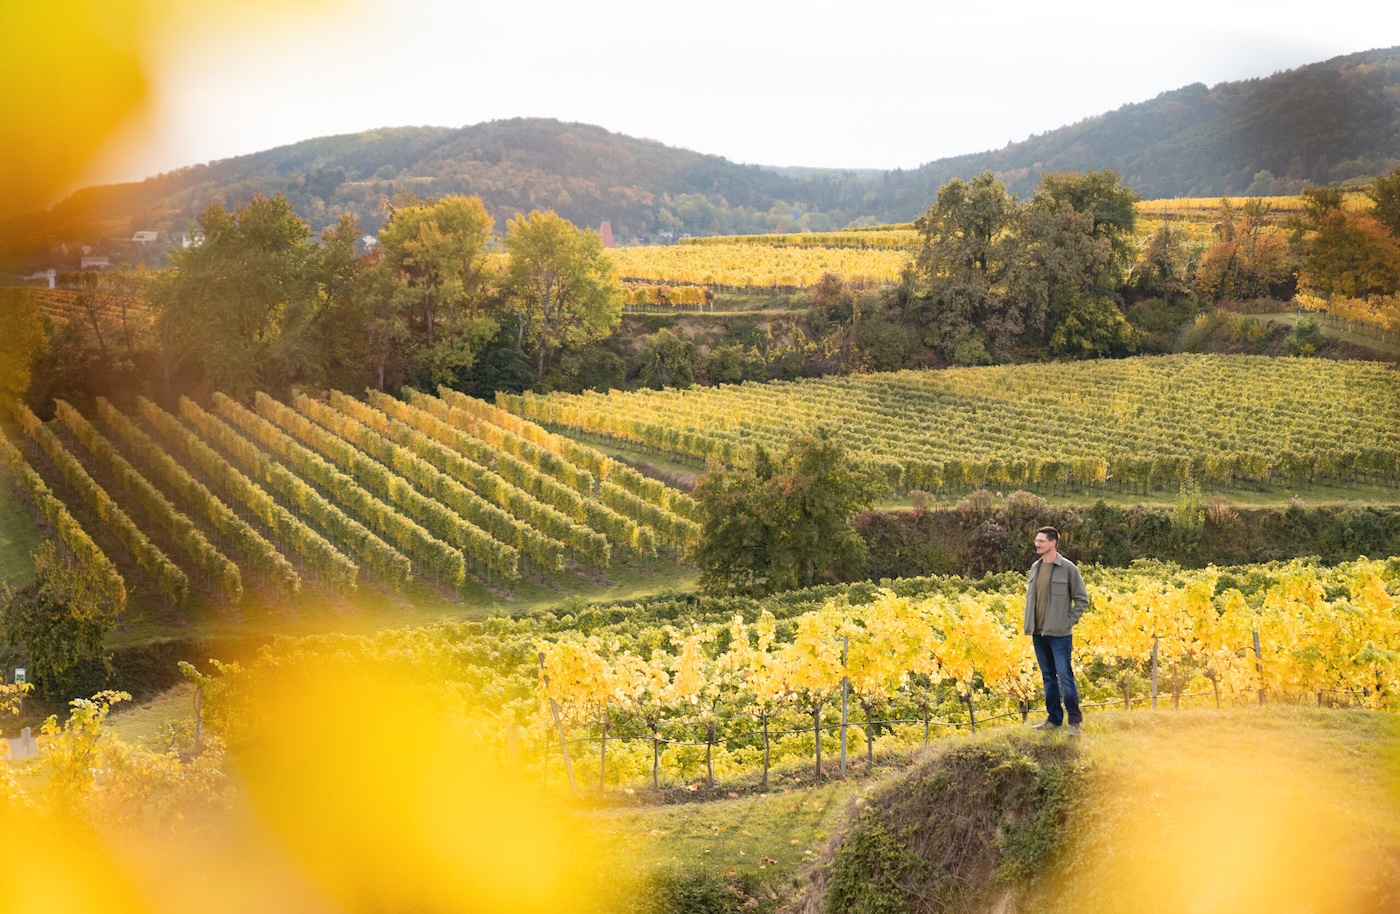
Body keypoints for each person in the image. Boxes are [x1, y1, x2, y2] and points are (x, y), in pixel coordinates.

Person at [1024, 526, 1089, 734]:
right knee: (1048, 677)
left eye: (1041, 541)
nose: (1037, 543)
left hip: (1060, 635)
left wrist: (1067, 621)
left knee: (1065, 676)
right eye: (1036, 540)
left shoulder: (1069, 569)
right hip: (1038, 632)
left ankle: (1075, 723)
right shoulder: (1035, 567)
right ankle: (1053, 719)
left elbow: (1082, 599)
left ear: (1053, 543)